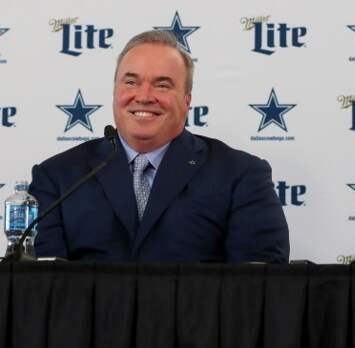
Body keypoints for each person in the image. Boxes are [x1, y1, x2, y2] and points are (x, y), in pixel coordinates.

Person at [29, 30, 290, 262]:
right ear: (115, 92)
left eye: (162, 85)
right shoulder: (57, 177)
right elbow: (41, 289)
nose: (143, 96)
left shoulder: (242, 175)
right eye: (131, 82)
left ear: (187, 100)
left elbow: (258, 290)